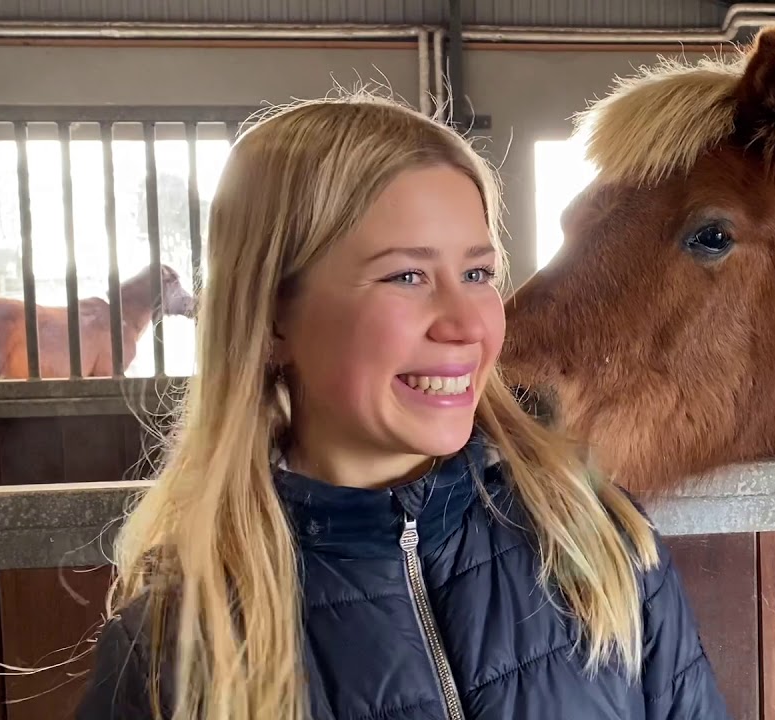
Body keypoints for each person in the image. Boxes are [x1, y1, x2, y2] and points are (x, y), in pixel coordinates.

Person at [74, 91, 731, 720]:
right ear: (274, 319)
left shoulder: (598, 545)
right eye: (406, 276)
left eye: (477, 274)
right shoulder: (173, 652)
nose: (467, 323)